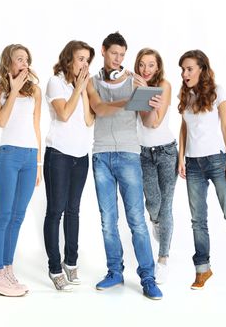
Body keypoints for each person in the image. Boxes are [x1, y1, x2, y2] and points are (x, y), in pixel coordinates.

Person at [86, 32, 163, 300]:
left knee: (137, 221)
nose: (118, 59)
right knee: (108, 221)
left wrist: (145, 96)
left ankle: (148, 278)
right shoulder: (91, 81)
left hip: (129, 153)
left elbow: (148, 120)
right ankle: (114, 273)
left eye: (122, 55)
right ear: (104, 51)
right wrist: (128, 99)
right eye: (114, 53)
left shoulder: (134, 80)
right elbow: (98, 108)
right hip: (101, 155)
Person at [177, 49, 226, 290]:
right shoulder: (186, 95)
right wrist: (181, 158)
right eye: (182, 70)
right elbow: (184, 129)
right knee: (197, 219)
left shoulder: (217, 92)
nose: (185, 73)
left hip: (216, 161)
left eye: (189, 68)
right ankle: (203, 269)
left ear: (202, 68)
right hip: (192, 164)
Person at [0, 44, 42, 297]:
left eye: (27, 59)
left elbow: (36, 125)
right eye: (20, 59)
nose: (25, 63)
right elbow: (1, 120)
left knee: (18, 217)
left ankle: (8, 269)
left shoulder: (35, 91)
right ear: (8, 62)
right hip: (8, 156)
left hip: (30, 157)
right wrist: (14, 89)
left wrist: (39, 162)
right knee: (3, 216)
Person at [43, 40, 95, 291]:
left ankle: (71, 262)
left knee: (73, 210)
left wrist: (83, 89)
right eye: (80, 59)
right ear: (69, 59)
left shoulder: (81, 85)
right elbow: (63, 114)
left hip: (80, 156)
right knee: (56, 211)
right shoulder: (56, 82)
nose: (85, 64)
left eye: (87, 60)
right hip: (59, 155)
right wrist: (77, 89)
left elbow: (87, 120)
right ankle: (54, 267)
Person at [134, 48, 177, 284]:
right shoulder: (137, 88)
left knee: (166, 205)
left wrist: (145, 97)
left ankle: (163, 259)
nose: (146, 69)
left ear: (158, 66)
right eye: (141, 65)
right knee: (153, 204)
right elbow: (146, 121)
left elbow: (156, 122)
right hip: (144, 154)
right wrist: (141, 93)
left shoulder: (166, 86)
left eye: (150, 65)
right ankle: (157, 222)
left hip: (167, 151)